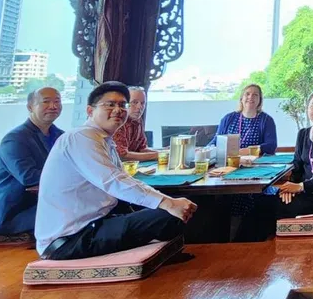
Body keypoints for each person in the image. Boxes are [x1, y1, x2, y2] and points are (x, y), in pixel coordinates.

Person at [34, 81, 197, 260]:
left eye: (122, 105)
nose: (118, 109)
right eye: (110, 104)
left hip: (94, 224)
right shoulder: (80, 137)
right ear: (90, 111)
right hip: (72, 239)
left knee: (173, 210)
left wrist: (167, 201)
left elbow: (123, 179)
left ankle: (161, 258)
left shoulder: (103, 140)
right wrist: (168, 203)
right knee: (169, 216)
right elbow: (113, 181)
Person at [236, 90, 313, 241]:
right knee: (258, 203)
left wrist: (300, 187)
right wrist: (290, 189)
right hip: (303, 192)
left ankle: (252, 250)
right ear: (307, 109)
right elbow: (297, 166)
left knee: (268, 208)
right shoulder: (303, 133)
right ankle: (247, 250)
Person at [0, 87, 64, 234]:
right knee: (77, 212)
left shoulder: (61, 136)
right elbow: (28, 177)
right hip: (13, 213)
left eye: (57, 101)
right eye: (46, 102)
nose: (53, 106)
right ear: (30, 107)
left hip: (44, 203)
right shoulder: (15, 139)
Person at [209, 83, 277, 155]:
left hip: (255, 163)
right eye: (247, 94)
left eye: (255, 95)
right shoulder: (228, 118)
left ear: (260, 100)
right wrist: (204, 150)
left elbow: (271, 145)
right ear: (241, 99)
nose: (251, 97)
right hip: (230, 161)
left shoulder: (266, 120)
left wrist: (249, 151)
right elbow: (216, 141)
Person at [113, 86, 158, 161]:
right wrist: (159, 155)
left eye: (143, 103)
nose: (140, 107)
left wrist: (164, 153)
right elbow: (122, 155)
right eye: (134, 102)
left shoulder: (138, 120)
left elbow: (142, 149)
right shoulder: (117, 120)